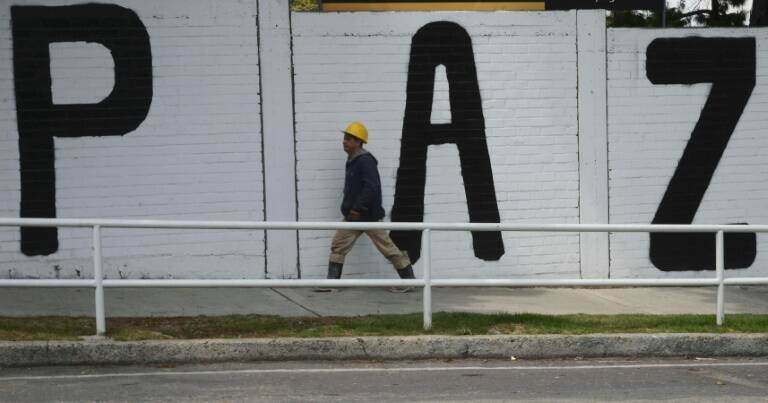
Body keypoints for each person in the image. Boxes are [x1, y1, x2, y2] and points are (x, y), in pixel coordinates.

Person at [319, 121, 415, 292]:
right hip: (353, 217)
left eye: (348, 139)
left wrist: (357, 208)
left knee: (388, 249)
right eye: (344, 138)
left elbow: (372, 187)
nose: (344, 141)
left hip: (367, 216)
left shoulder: (365, 161)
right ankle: (332, 284)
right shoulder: (353, 160)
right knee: (338, 245)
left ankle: (409, 280)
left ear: (358, 141)